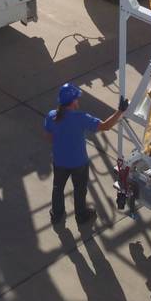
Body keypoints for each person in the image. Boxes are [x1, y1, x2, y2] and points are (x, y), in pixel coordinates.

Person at [44, 83, 128, 226]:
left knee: (57, 188)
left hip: (59, 161)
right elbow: (105, 126)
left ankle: (57, 215)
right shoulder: (81, 118)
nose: (78, 101)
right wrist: (120, 111)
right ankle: (81, 216)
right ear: (72, 102)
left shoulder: (51, 116)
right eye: (77, 98)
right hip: (79, 163)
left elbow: (49, 137)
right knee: (79, 190)